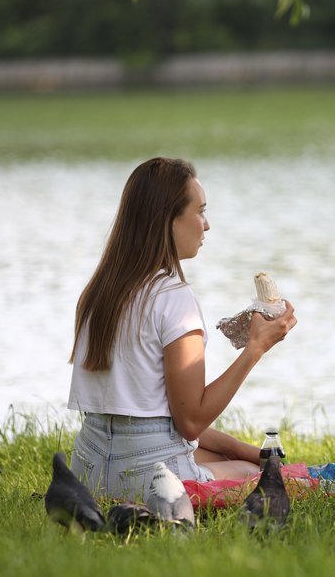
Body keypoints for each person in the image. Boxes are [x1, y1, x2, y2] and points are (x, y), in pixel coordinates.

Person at [66, 157, 297, 500]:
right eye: (200, 211)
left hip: (87, 472)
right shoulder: (174, 297)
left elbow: (159, 418)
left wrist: (247, 450)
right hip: (150, 481)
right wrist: (255, 348)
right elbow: (190, 421)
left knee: (237, 460)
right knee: (261, 480)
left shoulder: (100, 291)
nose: (206, 226)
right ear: (167, 221)